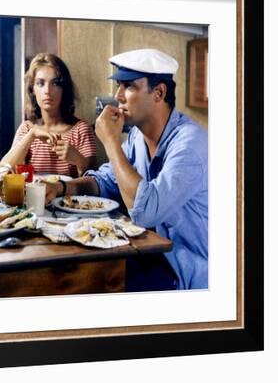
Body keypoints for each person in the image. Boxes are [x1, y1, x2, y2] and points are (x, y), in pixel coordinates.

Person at [44, 48, 208, 290]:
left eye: (129, 86)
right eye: (119, 86)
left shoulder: (190, 145)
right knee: (64, 270)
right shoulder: (137, 138)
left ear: (159, 93)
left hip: (183, 271)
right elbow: (107, 181)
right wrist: (60, 188)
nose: (118, 96)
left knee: (89, 286)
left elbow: (147, 211)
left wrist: (111, 142)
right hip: (147, 252)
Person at [1, 53, 97, 177]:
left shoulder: (81, 129)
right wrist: (31, 135)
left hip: (68, 196)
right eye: (40, 83)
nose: (47, 91)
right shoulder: (27, 129)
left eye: (55, 83)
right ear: (33, 90)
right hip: (32, 196)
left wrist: (78, 160)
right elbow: (2, 172)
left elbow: (95, 181)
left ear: (64, 88)